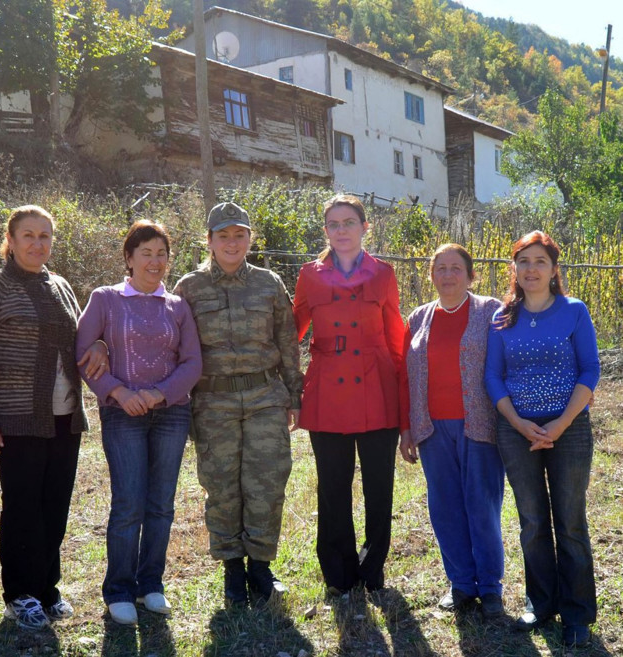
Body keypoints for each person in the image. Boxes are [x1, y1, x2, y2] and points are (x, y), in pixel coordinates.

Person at [0, 205, 105, 631]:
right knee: (23, 507)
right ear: (10, 239)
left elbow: (82, 337)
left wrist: (99, 344)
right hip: (16, 419)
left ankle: (47, 589)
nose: (37, 243)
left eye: (45, 236)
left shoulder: (61, 285)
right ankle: (20, 595)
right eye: (28, 235)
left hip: (65, 418)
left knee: (55, 507)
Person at [173, 202, 302, 608]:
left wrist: (294, 395)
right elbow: (171, 344)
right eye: (223, 236)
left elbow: (287, 342)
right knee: (223, 487)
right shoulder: (188, 288)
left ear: (250, 239)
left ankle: (260, 568)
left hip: (265, 397)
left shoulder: (269, 284)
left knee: (266, 484)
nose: (232, 243)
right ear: (209, 241)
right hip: (213, 401)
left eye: (239, 235)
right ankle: (232, 569)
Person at [76, 220, 202, 625]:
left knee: (161, 505)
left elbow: (193, 363)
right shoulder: (105, 299)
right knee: (129, 503)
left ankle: (151, 585)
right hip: (122, 415)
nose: (155, 261)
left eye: (161, 253)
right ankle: (119, 589)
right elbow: (82, 351)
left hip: (171, 413)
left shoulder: (178, 306)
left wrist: (157, 393)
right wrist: (119, 392)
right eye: (145, 253)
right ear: (129, 258)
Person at [485, 231, 600, 648]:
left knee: (569, 521)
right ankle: (541, 602)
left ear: (554, 270)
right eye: (523, 261)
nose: (530, 269)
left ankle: (577, 613)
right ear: (514, 269)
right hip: (516, 432)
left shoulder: (573, 311)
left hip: (568, 430)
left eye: (539, 262)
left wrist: (561, 424)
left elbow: (590, 371)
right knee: (532, 520)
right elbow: (493, 377)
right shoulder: (502, 318)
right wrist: (517, 423)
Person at [292, 194, 404, 595]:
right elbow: (292, 332)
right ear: (326, 231)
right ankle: (338, 576)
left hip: (377, 391)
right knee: (332, 487)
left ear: (364, 227)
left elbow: (396, 339)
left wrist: (404, 406)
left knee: (379, 488)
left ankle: (373, 572)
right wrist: (290, 387)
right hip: (327, 393)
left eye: (349, 223)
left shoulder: (383, 274)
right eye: (334, 224)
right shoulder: (310, 274)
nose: (341, 231)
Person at [398, 244, 505, 618]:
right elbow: (405, 376)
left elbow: (509, 360)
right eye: (440, 268)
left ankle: (490, 587)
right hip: (430, 426)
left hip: (480, 424)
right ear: (431, 275)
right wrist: (407, 427)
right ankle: (461, 583)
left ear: (470, 275)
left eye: (456, 268)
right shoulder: (418, 318)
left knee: (482, 505)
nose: (447, 275)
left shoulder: (491, 311)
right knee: (445, 507)